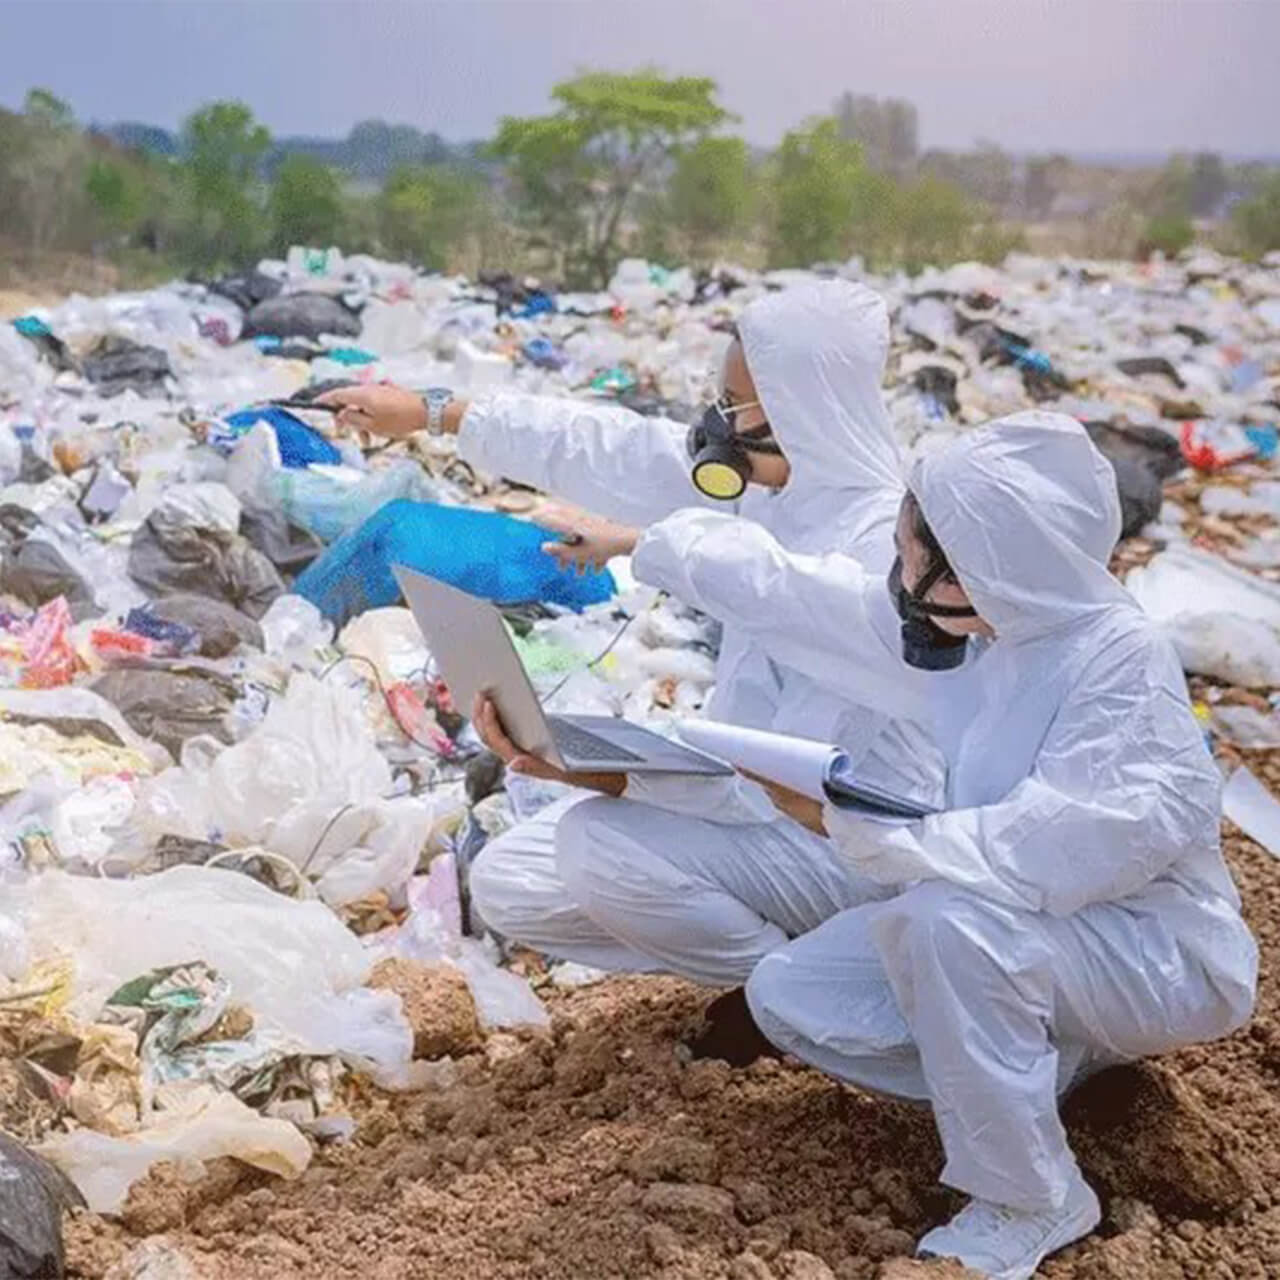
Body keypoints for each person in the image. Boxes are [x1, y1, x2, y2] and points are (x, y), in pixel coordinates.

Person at [642, 411, 1252, 1278]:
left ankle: (1030, 1194)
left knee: (943, 926)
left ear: (982, 565)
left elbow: (1064, 846)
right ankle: (1051, 1067)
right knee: (794, 992)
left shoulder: (1117, 662)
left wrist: (859, 828)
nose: (898, 576)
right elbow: (814, 601)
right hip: (1046, 938)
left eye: (912, 555)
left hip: (1156, 953)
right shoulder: (994, 634)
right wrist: (660, 543)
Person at [320, 282, 946, 1051]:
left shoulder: (879, 543)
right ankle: (792, 973)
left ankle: (806, 1004)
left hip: (847, 845)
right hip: (752, 808)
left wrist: (614, 772)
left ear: (800, 409)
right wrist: (436, 410)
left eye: (735, 403)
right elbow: (612, 447)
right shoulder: (772, 493)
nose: (717, 420)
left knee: (599, 846)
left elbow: (782, 775)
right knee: (515, 878)